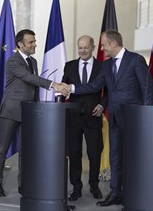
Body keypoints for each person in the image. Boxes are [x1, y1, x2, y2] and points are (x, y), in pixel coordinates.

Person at [62, 30, 153, 206]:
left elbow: (147, 89)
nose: (102, 49)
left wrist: (145, 116)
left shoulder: (135, 60)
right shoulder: (106, 65)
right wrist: (71, 89)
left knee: (130, 158)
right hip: (114, 119)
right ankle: (114, 193)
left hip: (133, 119)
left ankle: (131, 195)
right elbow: (95, 86)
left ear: (113, 43)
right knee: (115, 157)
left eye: (103, 45)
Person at [0, 29, 66, 197]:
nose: (35, 44)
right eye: (31, 42)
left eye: (34, 41)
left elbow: (32, 87)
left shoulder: (33, 61)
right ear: (20, 44)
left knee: (25, 151)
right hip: (11, 111)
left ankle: (23, 185)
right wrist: (53, 84)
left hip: (28, 112)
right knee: (2, 149)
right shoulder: (13, 61)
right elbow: (28, 78)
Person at [61, 35, 107, 201]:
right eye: (80, 47)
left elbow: (108, 92)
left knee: (94, 154)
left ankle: (94, 186)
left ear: (93, 47)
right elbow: (63, 87)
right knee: (74, 154)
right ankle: (76, 188)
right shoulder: (69, 66)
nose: (82, 50)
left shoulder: (103, 67)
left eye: (85, 47)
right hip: (73, 117)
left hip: (93, 116)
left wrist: (102, 105)